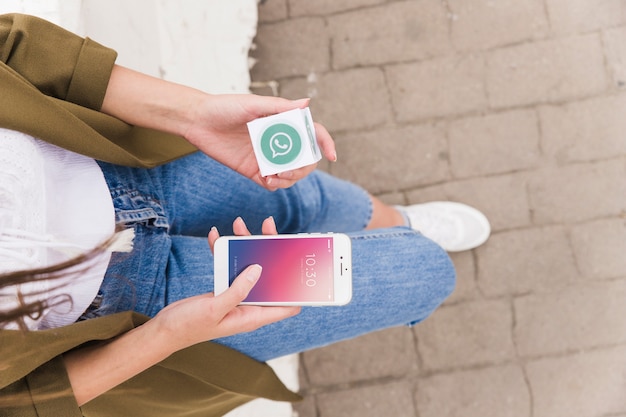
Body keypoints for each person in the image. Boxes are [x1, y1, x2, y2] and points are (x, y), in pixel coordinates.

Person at [0, 13, 490, 417]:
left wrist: (193, 113)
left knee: (305, 198)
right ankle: (402, 239)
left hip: (115, 161)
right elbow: (23, 406)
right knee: (423, 270)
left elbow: (16, 48)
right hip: (136, 313)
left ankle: (396, 220)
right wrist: (168, 337)